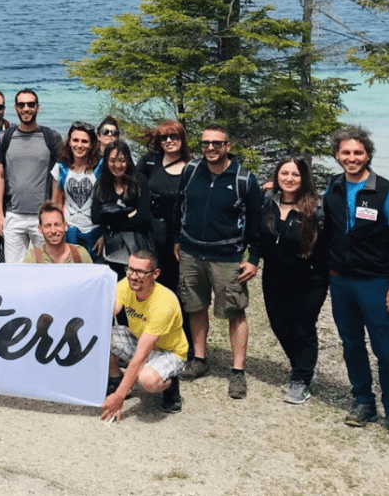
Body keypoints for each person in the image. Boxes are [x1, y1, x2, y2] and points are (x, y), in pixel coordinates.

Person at [321, 126, 389, 438]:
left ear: (368, 155)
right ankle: (363, 401)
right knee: (351, 344)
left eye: (358, 152)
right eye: (345, 152)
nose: (352, 158)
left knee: (385, 348)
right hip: (340, 281)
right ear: (337, 155)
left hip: (375, 281)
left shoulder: (386, 191)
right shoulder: (332, 187)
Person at [173, 124, 262, 400]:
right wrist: (178, 238)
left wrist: (253, 259)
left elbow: (257, 223)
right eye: (205, 143)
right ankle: (199, 359)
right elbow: (180, 206)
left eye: (216, 143)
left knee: (235, 311)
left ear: (228, 146)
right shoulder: (191, 171)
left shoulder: (244, 179)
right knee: (195, 306)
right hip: (191, 253)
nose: (210, 148)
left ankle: (237, 371)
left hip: (227, 257)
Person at [259, 155, 328, 405]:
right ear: (277, 176)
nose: (289, 178)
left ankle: (301, 378)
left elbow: (327, 244)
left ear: (304, 178)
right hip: (274, 276)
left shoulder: (317, 208)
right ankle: (302, 366)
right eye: (284, 173)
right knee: (280, 326)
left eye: (295, 174)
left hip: (309, 279)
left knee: (303, 328)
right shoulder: (268, 201)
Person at [102, 251, 187, 420]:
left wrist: (119, 397)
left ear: (155, 274)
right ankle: (116, 378)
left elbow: (140, 357)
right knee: (101, 336)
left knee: (147, 379)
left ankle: (170, 384)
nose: (133, 276)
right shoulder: (126, 285)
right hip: (138, 339)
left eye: (140, 272)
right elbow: (110, 311)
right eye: (130, 269)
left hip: (168, 352)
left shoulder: (164, 303)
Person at [0, 89, 61, 264]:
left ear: (38, 107)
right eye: (21, 104)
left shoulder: (52, 137)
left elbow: (58, 176)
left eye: (31, 104)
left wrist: (54, 212)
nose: (26, 108)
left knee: (47, 266)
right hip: (13, 215)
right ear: (15, 108)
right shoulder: (4, 138)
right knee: (13, 269)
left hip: (43, 215)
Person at [136, 120, 191, 308]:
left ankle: (181, 324)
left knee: (180, 290)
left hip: (181, 238)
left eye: (173, 136)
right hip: (153, 235)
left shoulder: (192, 168)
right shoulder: (150, 162)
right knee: (154, 284)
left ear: (182, 139)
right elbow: (130, 185)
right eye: (163, 137)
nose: (168, 141)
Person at [92, 140, 153, 277]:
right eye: (112, 160)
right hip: (113, 250)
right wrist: (129, 213)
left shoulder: (139, 181)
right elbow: (96, 217)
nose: (118, 165)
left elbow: (144, 217)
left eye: (122, 160)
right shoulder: (101, 184)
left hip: (137, 246)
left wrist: (112, 221)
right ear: (106, 161)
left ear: (128, 161)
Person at [52, 122, 100, 261]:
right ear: (69, 142)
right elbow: (56, 203)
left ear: (91, 145)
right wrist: (58, 231)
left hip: (94, 231)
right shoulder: (60, 168)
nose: (79, 145)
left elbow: (107, 202)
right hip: (70, 230)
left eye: (84, 141)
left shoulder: (99, 168)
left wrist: (104, 235)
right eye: (75, 140)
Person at [22, 202, 92, 264]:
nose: (53, 231)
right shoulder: (32, 258)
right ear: (40, 229)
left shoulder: (80, 254)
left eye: (57, 225)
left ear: (65, 226)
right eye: (48, 226)